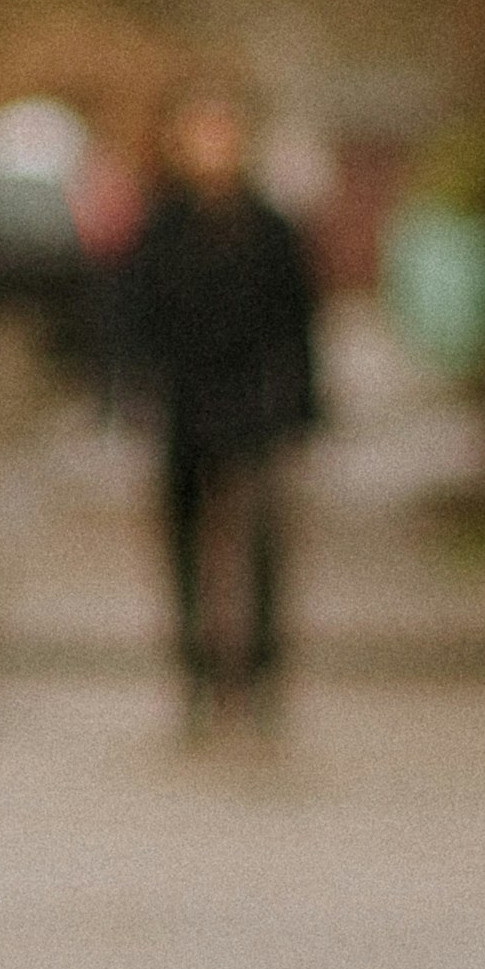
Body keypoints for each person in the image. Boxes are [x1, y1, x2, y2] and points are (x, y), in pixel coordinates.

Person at [111, 81, 322, 735]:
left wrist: (302, 406)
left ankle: (258, 671)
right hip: (183, 406)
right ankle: (195, 670)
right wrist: (131, 393)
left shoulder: (270, 229)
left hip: (251, 404)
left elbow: (297, 322)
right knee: (183, 542)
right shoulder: (161, 228)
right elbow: (132, 318)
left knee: (260, 540)